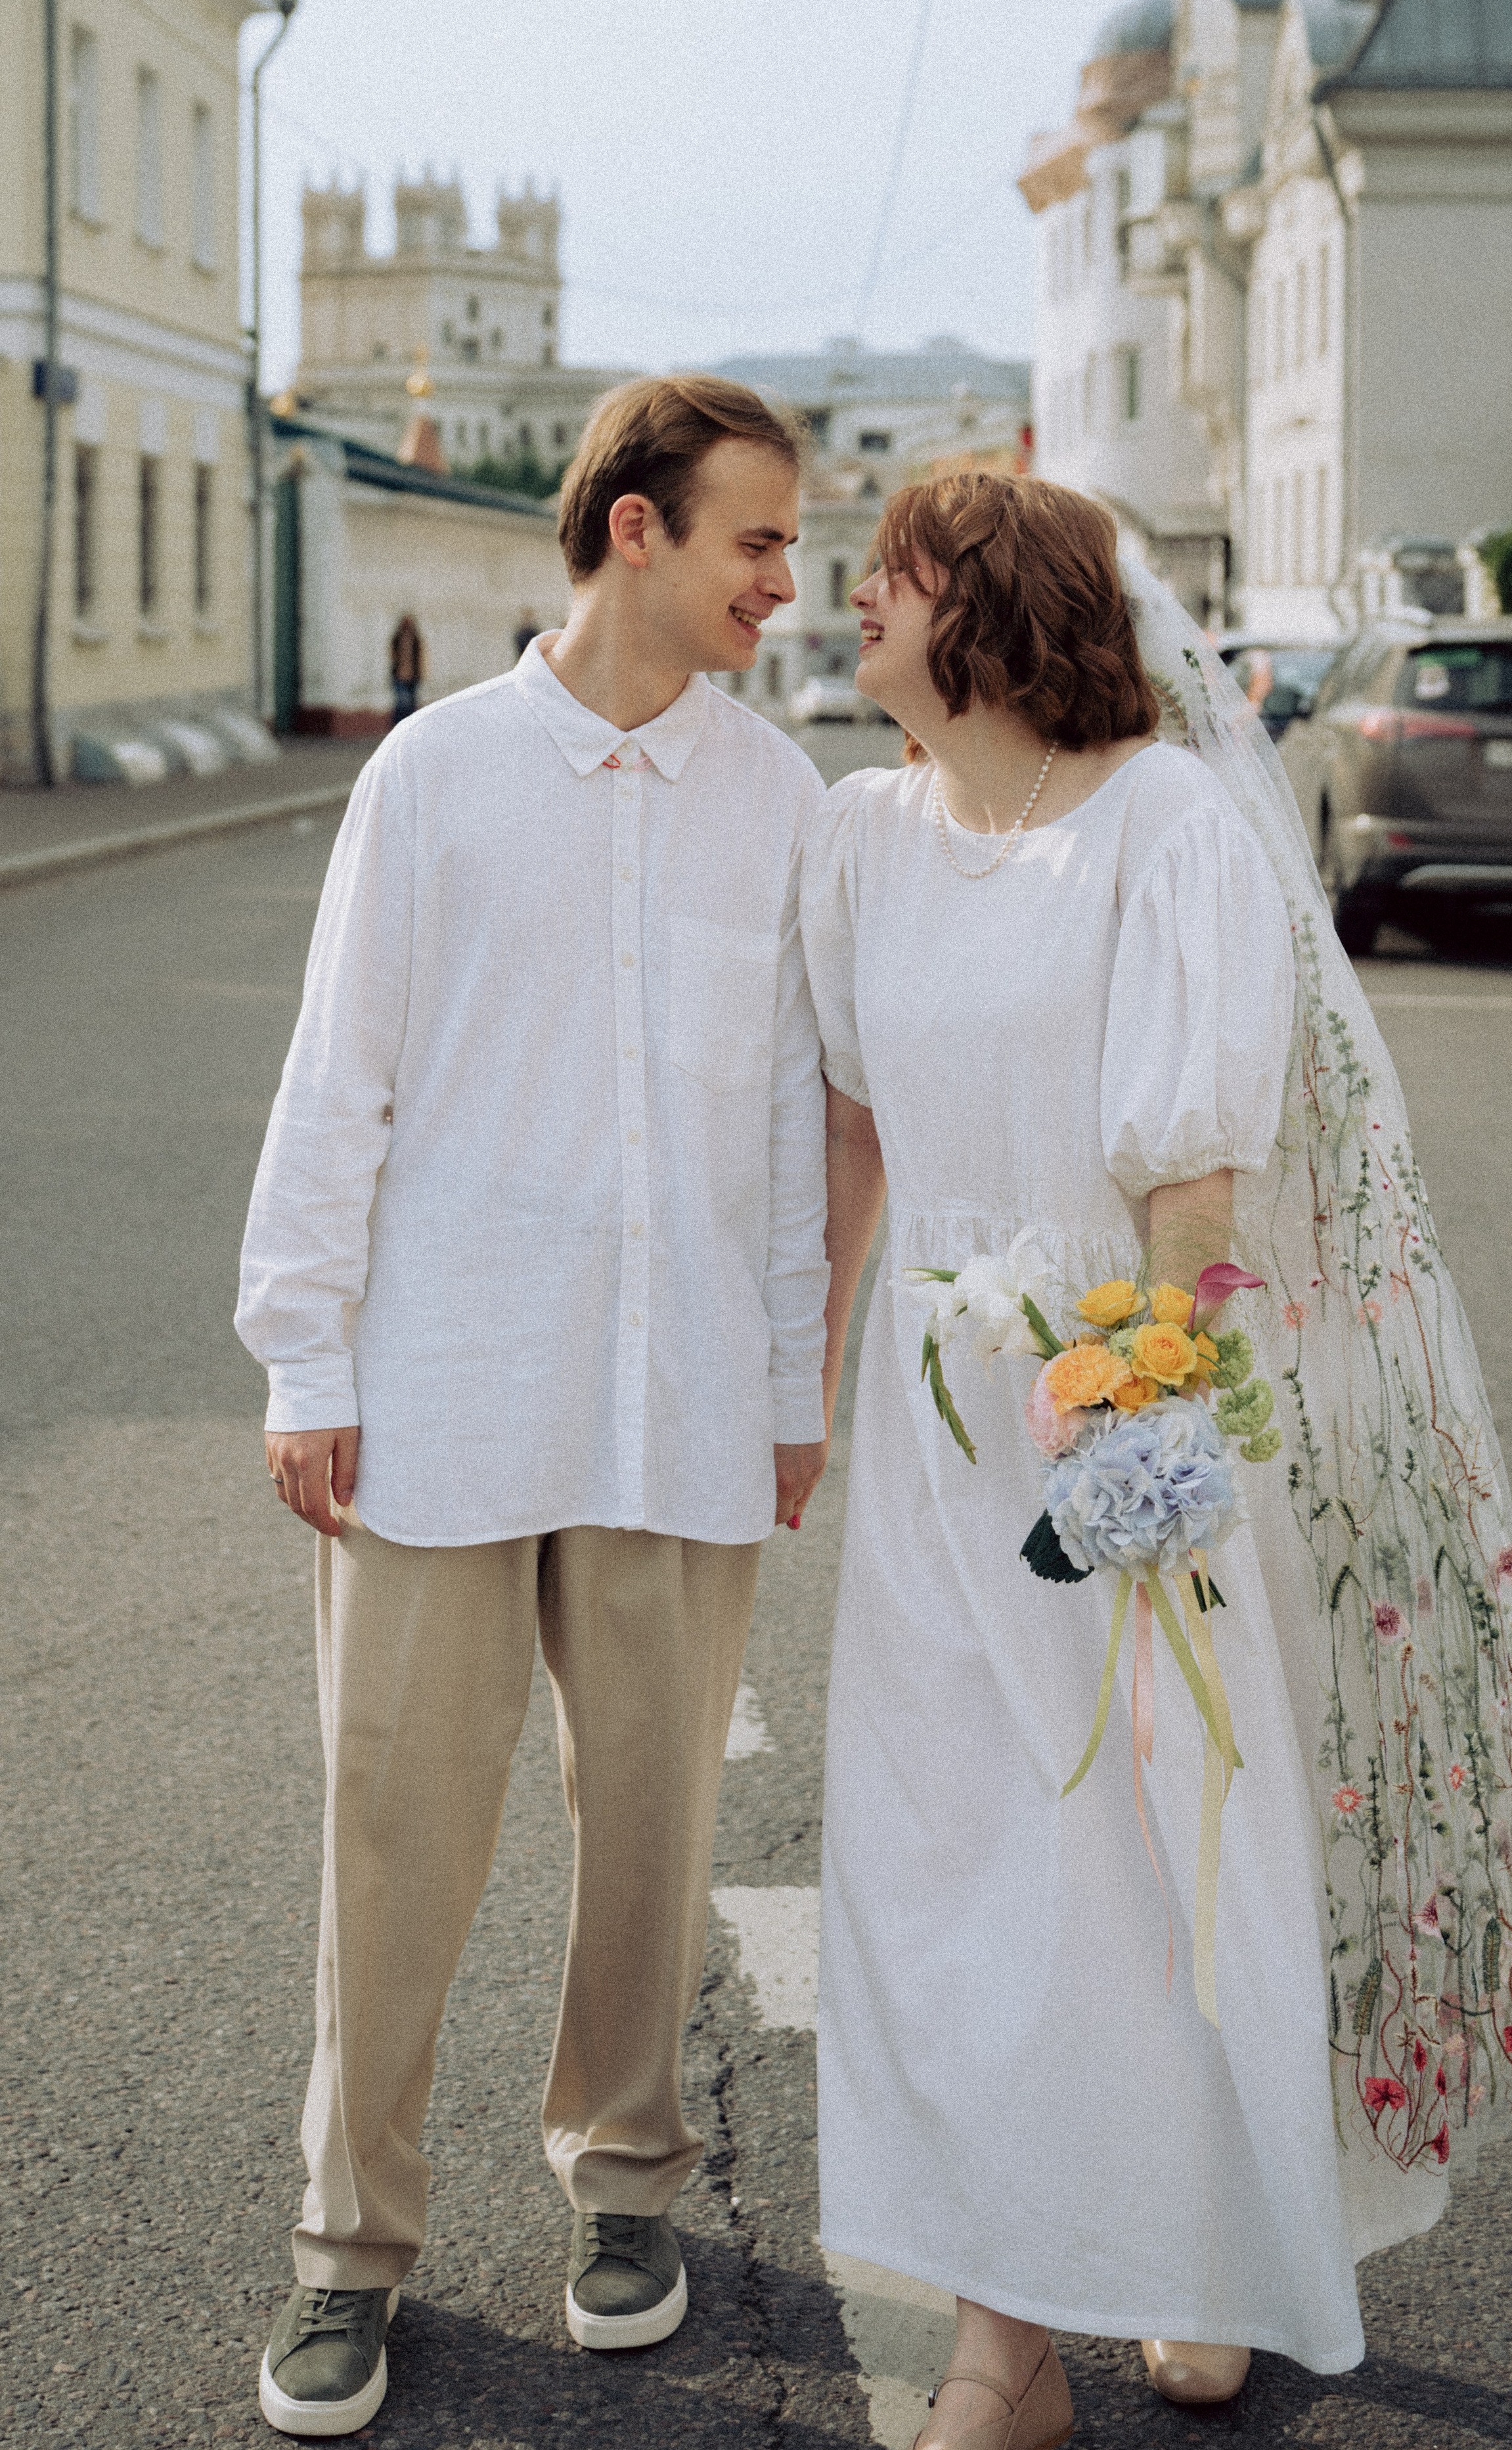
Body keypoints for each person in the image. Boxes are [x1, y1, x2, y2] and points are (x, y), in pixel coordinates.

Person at [801, 475, 1512, 2445]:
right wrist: (787, 1391)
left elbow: (1197, 1182)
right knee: (955, 1886)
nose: (851, 593)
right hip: (926, 1430)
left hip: (1120, 1399)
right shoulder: (855, 839)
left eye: (894, 569)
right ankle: (1001, 2348)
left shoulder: (1165, 829)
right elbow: (848, 1141)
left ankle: (1194, 2255)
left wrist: (1145, 1456)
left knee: (1146, 1865)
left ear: (992, 610)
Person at [236, 374, 830, 2437]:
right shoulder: (433, 775)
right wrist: (306, 1353)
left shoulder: (780, 793)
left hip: (672, 1408)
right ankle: (348, 2247)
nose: (787, 579)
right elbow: (344, 1076)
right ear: (639, 531)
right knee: (395, 1826)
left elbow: (774, 1117)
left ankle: (629, 2184)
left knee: (651, 1832)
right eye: (756, 537)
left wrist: (782, 1377)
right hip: (438, 1395)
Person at [388, 613, 425, 721]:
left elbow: (421, 656)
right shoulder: (397, 638)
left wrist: (421, 672)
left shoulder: (416, 639)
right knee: (402, 703)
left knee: (412, 704)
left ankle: (410, 724)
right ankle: (398, 725)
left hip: (413, 676)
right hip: (400, 676)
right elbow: (392, 655)